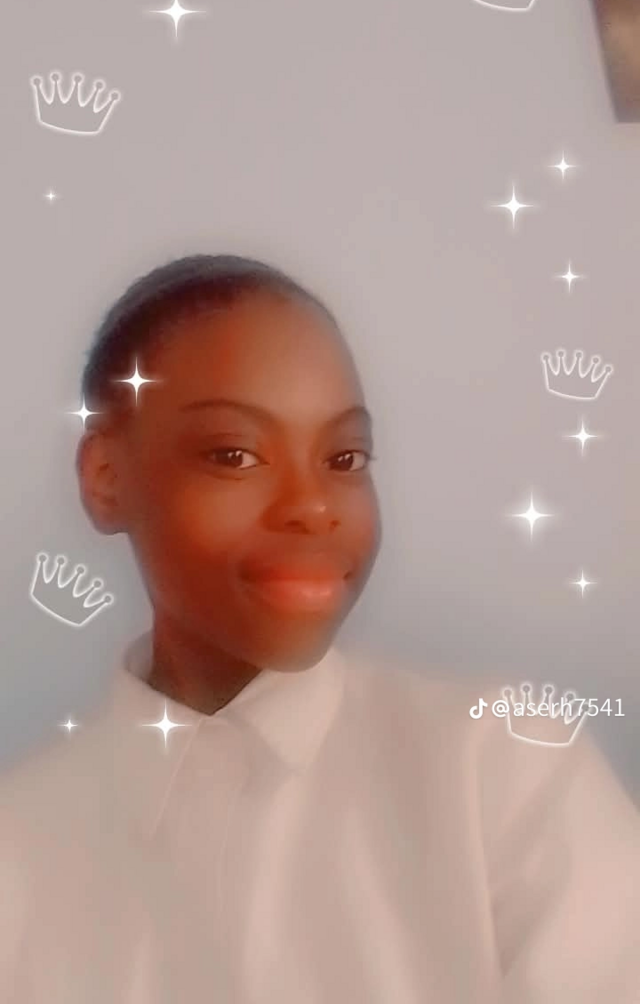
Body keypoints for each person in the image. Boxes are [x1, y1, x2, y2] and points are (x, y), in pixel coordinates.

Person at [0, 252, 638, 1004]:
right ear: (107, 477)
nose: (312, 505)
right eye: (235, 454)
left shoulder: (504, 769)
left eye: (345, 456)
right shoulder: (21, 844)